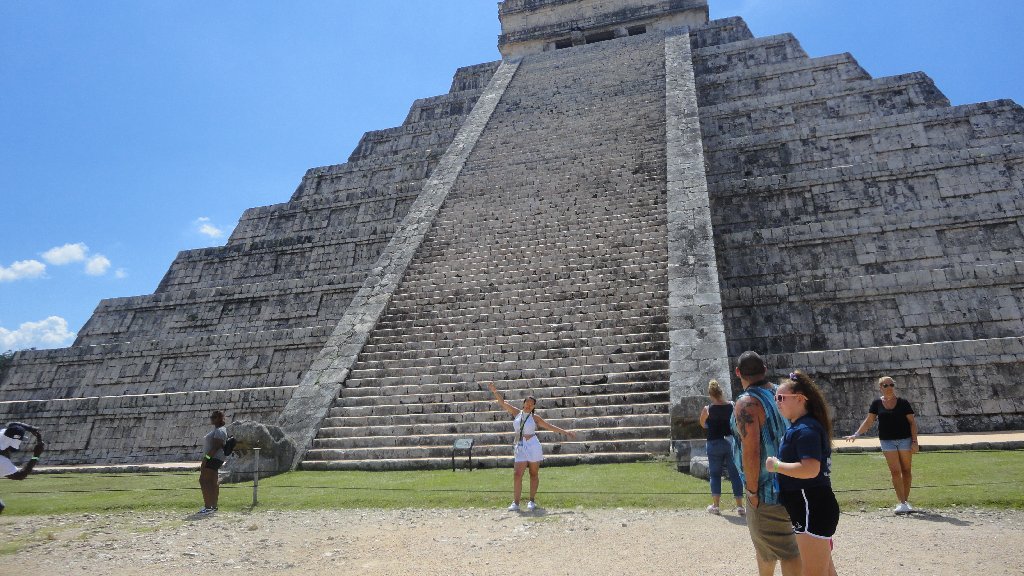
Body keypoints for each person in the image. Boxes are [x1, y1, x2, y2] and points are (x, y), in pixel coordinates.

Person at [731, 351, 802, 576]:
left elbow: (751, 451)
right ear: (765, 369)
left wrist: (751, 491)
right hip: (791, 480)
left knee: (788, 551)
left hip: (767, 490)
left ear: (738, 373)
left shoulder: (747, 403)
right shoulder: (780, 394)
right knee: (765, 547)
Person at [766, 371, 840, 576]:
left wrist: (777, 466)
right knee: (825, 571)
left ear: (799, 399)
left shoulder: (805, 429)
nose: (777, 402)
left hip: (811, 507)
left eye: (781, 398)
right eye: (775, 398)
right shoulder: (800, 427)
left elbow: (810, 469)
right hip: (810, 507)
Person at [487, 383, 576, 512]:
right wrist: (495, 391)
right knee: (517, 474)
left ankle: (531, 501)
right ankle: (516, 503)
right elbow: (503, 403)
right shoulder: (517, 413)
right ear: (523, 403)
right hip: (520, 445)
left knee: (533, 473)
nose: (528, 405)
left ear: (534, 406)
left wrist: (566, 432)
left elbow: (549, 426)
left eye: (531, 403)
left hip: (533, 445)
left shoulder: (535, 418)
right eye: (527, 402)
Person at [844, 376, 919, 514]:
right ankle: (902, 502)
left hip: (904, 439)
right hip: (887, 441)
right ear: (881, 388)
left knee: (906, 470)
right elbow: (869, 421)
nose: (889, 387)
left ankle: (906, 501)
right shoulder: (876, 403)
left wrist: (914, 441)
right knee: (895, 471)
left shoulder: (903, 403)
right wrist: (856, 434)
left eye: (891, 384)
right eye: (886, 385)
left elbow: (912, 423)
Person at [699, 379, 744, 516]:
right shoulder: (731, 405)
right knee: (735, 474)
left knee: (715, 474)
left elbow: (702, 424)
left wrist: (709, 425)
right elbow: (737, 422)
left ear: (710, 394)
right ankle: (740, 506)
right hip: (730, 442)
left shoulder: (708, 409)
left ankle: (716, 505)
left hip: (714, 442)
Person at [0, 422, 46, 514]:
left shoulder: (3, 434)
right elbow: (21, 475)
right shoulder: (2, 461)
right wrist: (36, 455)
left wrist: (31, 428)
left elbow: (12, 424)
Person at [198, 410, 228, 515]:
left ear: (220, 419)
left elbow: (216, 447)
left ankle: (208, 507)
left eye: (214, 417)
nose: (212, 419)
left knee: (204, 481)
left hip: (212, 459)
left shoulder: (219, 431)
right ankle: (213, 506)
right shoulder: (219, 430)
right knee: (213, 482)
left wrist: (206, 459)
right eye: (211, 417)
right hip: (215, 459)